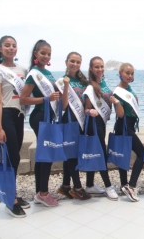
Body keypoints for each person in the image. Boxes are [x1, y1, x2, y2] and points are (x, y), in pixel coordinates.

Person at [20, 40, 60, 207]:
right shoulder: (33, 74)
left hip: (48, 116)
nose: (46, 56)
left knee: (44, 155)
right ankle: (43, 193)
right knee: (46, 155)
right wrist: (46, 98)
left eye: (49, 54)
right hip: (39, 117)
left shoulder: (47, 73)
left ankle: (40, 192)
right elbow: (23, 98)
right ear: (35, 53)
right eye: (43, 53)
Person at [0, 35, 30, 217]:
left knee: (15, 157)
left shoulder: (23, 70)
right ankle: (11, 200)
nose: (11, 48)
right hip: (6, 115)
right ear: (0, 49)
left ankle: (12, 193)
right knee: (12, 158)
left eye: (14, 46)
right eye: (7, 45)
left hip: (19, 116)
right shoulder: (0, 70)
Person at [56, 52, 91, 200]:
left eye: (78, 62)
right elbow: (63, 106)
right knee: (72, 155)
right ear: (66, 62)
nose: (75, 64)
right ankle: (77, 187)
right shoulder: (61, 81)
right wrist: (65, 85)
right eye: (72, 61)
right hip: (68, 121)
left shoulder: (83, 81)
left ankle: (65, 186)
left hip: (81, 121)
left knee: (71, 154)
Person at [83, 56, 118, 201]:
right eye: (96, 67)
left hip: (102, 123)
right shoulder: (90, 86)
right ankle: (108, 186)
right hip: (93, 124)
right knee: (101, 154)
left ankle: (90, 185)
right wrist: (90, 111)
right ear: (91, 69)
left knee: (95, 152)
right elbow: (85, 109)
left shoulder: (103, 83)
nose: (100, 69)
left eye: (101, 66)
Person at [110, 63, 144, 202]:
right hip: (123, 125)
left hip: (128, 125)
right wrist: (117, 103)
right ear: (120, 73)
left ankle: (124, 185)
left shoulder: (129, 89)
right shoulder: (117, 92)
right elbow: (121, 114)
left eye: (132, 73)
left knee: (124, 155)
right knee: (142, 154)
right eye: (127, 73)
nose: (130, 76)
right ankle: (131, 185)